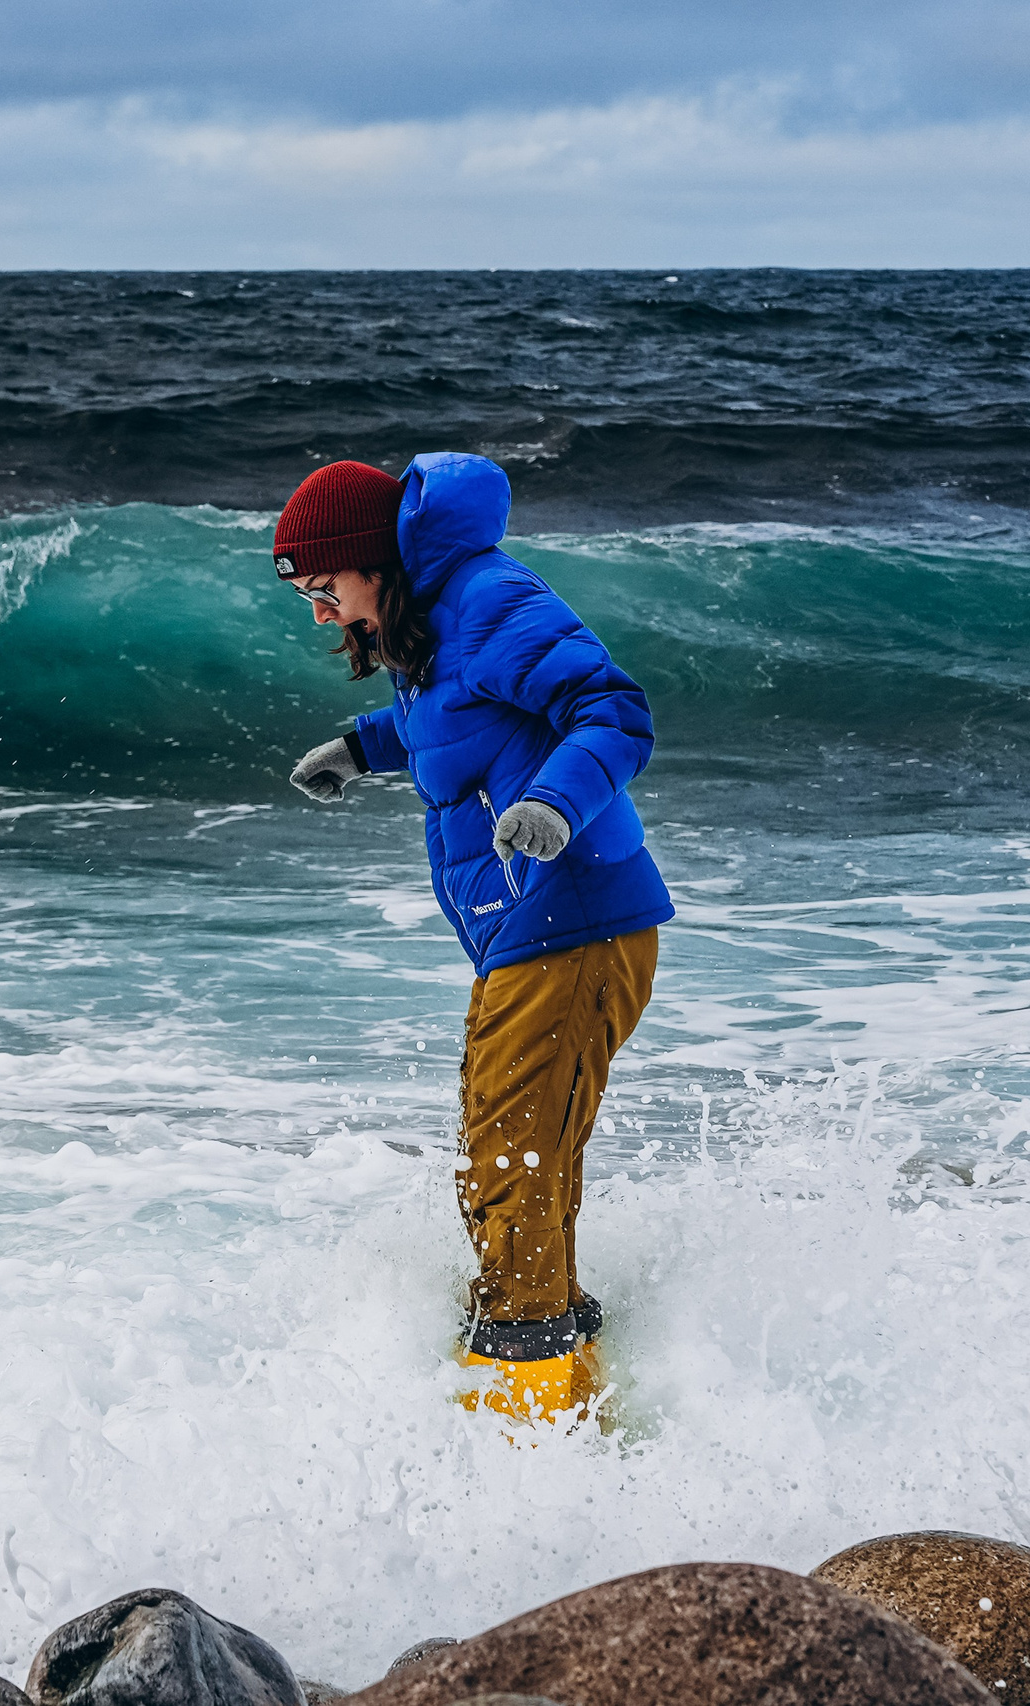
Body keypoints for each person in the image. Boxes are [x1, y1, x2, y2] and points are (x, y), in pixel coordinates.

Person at [274, 454, 673, 1427]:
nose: (322, 614)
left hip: (572, 914)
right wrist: (361, 746)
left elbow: (612, 709)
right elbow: (453, 711)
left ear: (376, 561)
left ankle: (524, 1414)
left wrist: (552, 803)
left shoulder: (487, 598)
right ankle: (580, 1391)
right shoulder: (433, 627)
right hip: (532, 930)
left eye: (328, 590)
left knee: (509, 1164)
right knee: (522, 1163)